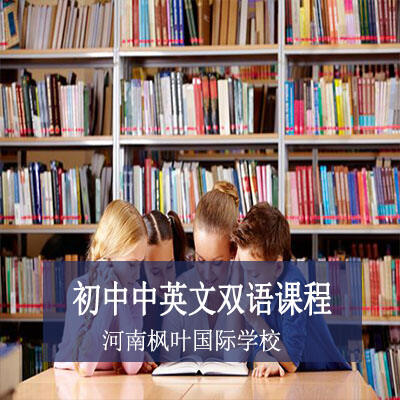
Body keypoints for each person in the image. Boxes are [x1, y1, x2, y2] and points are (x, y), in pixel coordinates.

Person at [231, 202, 351, 378]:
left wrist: (255, 320)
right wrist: (264, 358)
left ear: (278, 267)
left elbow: (292, 363)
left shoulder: (292, 286)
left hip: (327, 378)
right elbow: (256, 344)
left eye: (254, 274)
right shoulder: (261, 285)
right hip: (297, 381)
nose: (247, 281)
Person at [54, 200, 156, 376]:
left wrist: (119, 299)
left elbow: (132, 367)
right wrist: (109, 298)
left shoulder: (134, 293)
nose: (137, 275)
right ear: (109, 256)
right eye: (131, 264)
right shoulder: (79, 290)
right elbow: (85, 368)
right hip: (72, 382)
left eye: (140, 264)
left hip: (109, 383)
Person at [160, 181, 243, 363]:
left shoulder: (247, 290)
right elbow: (167, 363)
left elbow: (237, 362)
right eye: (201, 260)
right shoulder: (180, 290)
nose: (207, 274)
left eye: (217, 263)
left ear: (234, 251)